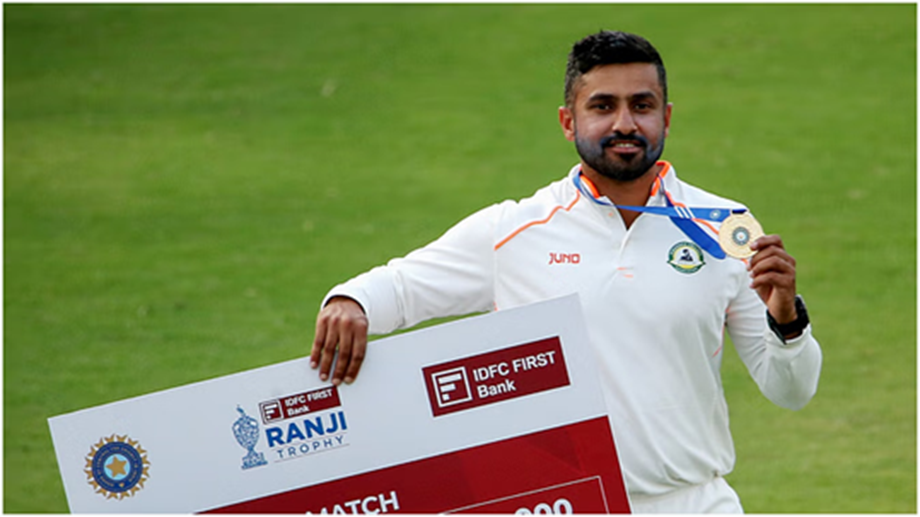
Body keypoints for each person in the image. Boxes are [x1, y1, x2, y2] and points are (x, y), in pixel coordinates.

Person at [310, 30, 822, 513]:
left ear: (666, 117)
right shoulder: (514, 232)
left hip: (694, 502)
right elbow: (400, 288)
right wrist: (349, 302)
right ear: (567, 122)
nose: (625, 123)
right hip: (564, 504)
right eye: (603, 106)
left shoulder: (725, 228)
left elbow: (792, 390)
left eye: (642, 105)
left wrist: (786, 317)